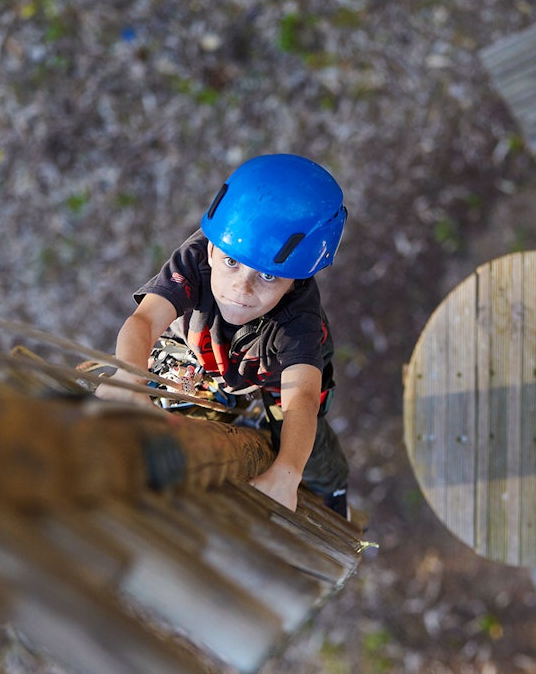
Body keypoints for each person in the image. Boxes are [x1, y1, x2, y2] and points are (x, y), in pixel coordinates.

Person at [96, 153, 351, 518]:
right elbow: (145, 322)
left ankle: (334, 484)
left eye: (267, 276)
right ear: (212, 249)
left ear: (296, 279)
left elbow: (302, 400)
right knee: (164, 386)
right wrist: (127, 377)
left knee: (308, 450)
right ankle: (223, 395)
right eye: (232, 263)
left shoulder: (299, 320)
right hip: (201, 348)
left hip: (272, 371)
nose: (241, 289)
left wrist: (288, 472)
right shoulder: (196, 257)